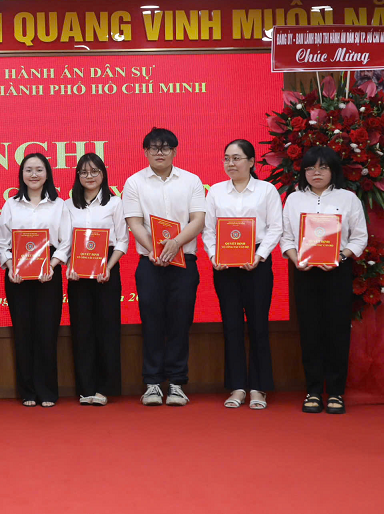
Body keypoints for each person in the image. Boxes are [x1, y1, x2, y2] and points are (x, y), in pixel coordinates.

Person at [123, 127, 206, 407]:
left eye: (165, 147)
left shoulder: (191, 181)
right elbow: (134, 222)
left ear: (174, 151)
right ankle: (152, 383)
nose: (160, 152)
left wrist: (176, 243)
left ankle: (177, 384)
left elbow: (198, 220)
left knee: (181, 322)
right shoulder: (134, 182)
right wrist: (155, 249)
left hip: (185, 263)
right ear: (146, 152)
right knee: (152, 322)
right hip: (150, 263)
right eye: (154, 148)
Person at [280, 146, 367, 415]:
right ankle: (314, 391)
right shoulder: (294, 199)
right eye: (310, 168)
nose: (315, 173)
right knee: (310, 331)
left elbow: (359, 237)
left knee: (337, 331)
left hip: (337, 272)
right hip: (304, 272)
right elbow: (286, 237)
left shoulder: (348, 198)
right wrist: (296, 260)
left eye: (322, 167)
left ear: (333, 170)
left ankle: (336, 392)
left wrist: (339, 256)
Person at [202, 139, 283, 410]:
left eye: (236, 158)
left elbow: (275, 227)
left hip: (257, 263)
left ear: (251, 161)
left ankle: (258, 387)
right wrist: (214, 256)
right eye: (227, 158)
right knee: (232, 325)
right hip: (225, 267)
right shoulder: (216, 191)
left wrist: (260, 256)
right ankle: (237, 386)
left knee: (258, 325)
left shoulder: (266, 190)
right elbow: (209, 230)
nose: (230, 163)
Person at [0, 153, 71, 407]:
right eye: (29, 170)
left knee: (47, 332)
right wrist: (9, 266)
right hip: (17, 274)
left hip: (49, 271)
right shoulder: (11, 204)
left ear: (47, 174)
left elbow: (66, 241)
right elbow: (2, 241)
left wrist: (53, 264)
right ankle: (27, 391)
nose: (34, 174)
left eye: (39, 169)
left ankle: (47, 391)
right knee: (23, 332)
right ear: (22, 175)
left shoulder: (59, 205)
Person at [66, 153, 129, 406]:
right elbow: (64, 241)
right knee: (82, 330)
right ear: (77, 176)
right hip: (77, 275)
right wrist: (70, 265)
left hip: (107, 272)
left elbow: (122, 241)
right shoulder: (68, 204)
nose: (89, 176)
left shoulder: (115, 203)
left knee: (107, 329)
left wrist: (108, 267)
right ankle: (86, 388)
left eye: (94, 171)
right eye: (84, 172)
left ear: (103, 174)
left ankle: (104, 388)